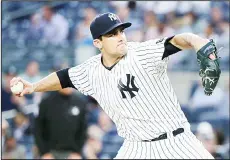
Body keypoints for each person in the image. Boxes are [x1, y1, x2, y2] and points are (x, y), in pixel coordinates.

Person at [10, 12, 220, 159]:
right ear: (97, 43)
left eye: (121, 31)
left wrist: (195, 40)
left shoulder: (141, 53)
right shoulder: (90, 71)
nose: (120, 37)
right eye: (112, 34)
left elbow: (176, 41)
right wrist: (33, 87)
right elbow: (63, 77)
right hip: (136, 148)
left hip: (177, 141)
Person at [34, 88, 87, 159]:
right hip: (49, 152)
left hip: (72, 153)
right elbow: (38, 129)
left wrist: (77, 152)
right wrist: (44, 152)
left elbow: (83, 130)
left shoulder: (80, 102)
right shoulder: (46, 101)